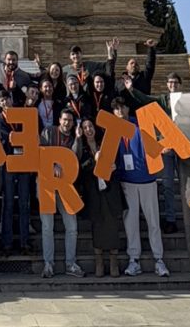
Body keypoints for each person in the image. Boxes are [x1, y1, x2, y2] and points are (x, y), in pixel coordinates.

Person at [111, 97, 170, 277]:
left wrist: (161, 148)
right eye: (117, 109)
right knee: (131, 223)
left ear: (128, 109)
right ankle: (133, 259)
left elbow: (154, 146)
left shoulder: (141, 125)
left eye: (123, 107)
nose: (120, 111)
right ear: (113, 112)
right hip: (126, 181)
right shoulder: (113, 130)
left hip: (147, 180)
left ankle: (159, 259)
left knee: (153, 222)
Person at [123, 72, 183, 234]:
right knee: (168, 185)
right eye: (170, 82)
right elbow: (146, 99)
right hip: (168, 148)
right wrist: (132, 90)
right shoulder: (163, 101)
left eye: (175, 82)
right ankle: (171, 219)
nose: (172, 85)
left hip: (186, 149)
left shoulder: (187, 100)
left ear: (180, 85)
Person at [38, 109, 85, 278]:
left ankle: (70, 264)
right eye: (64, 120)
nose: (67, 123)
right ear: (59, 120)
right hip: (46, 184)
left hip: (66, 186)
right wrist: (52, 165)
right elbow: (39, 152)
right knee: (47, 227)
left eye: (70, 121)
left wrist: (79, 139)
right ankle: (48, 264)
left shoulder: (73, 137)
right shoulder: (48, 132)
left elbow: (76, 157)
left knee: (72, 227)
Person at [76, 118, 124, 278]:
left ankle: (113, 262)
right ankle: (99, 263)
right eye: (85, 127)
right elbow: (79, 167)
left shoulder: (104, 142)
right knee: (97, 225)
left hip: (109, 190)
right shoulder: (81, 147)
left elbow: (116, 160)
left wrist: (114, 166)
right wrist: (93, 161)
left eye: (90, 126)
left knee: (112, 224)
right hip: (93, 192)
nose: (88, 129)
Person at [0, 91, 32, 256]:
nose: (5, 102)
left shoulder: (22, 115)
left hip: (23, 163)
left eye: (7, 99)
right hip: (9, 163)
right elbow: (7, 137)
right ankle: (6, 243)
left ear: (11, 99)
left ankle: (25, 242)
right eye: (2, 100)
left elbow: (28, 135)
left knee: (24, 203)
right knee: (8, 204)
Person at [0, 27, 33, 104]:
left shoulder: (23, 75)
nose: (11, 62)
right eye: (9, 59)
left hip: (14, 107)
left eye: (13, 60)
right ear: (4, 60)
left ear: (17, 61)